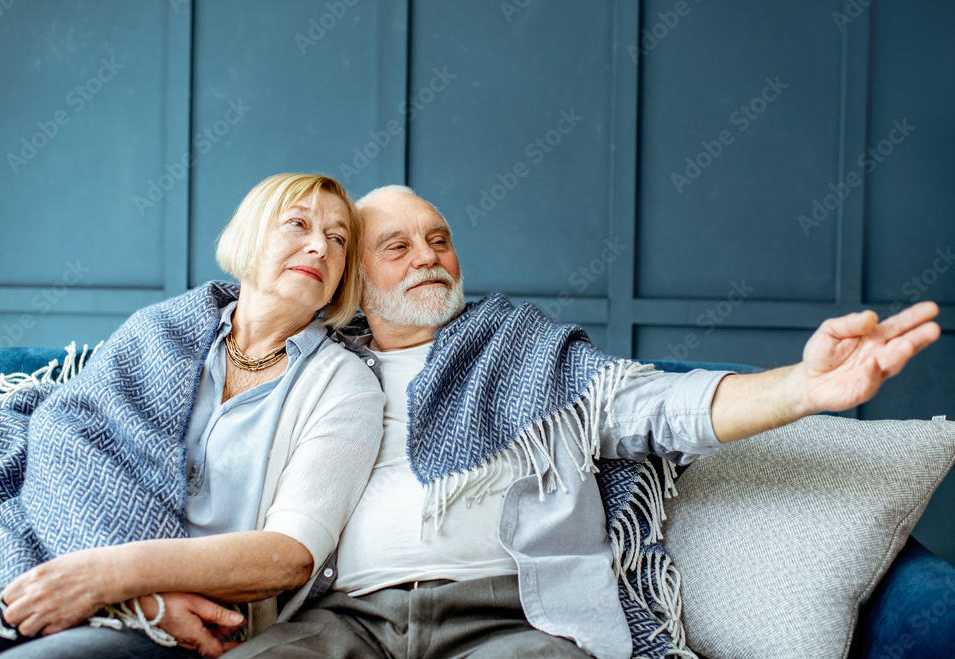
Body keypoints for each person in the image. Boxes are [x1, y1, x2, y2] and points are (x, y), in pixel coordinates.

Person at [224, 184, 942, 659]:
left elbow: (661, 407)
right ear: (355, 282)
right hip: (349, 620)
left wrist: (805, 386)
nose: (430, 257)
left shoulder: (529, 351)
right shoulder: (317, 372)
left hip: (509, 623)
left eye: (439, 239)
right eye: (398, 246)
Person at [0, 174, 385, 658]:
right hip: (63, 562)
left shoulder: (344, 385)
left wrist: (113, 579)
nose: (318, 247)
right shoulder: (158, 332)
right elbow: (65, 443)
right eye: (297, 224)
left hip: (201, 620)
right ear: (249, 237)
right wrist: (141, 597)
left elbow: (289, 558)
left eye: (337, 239)